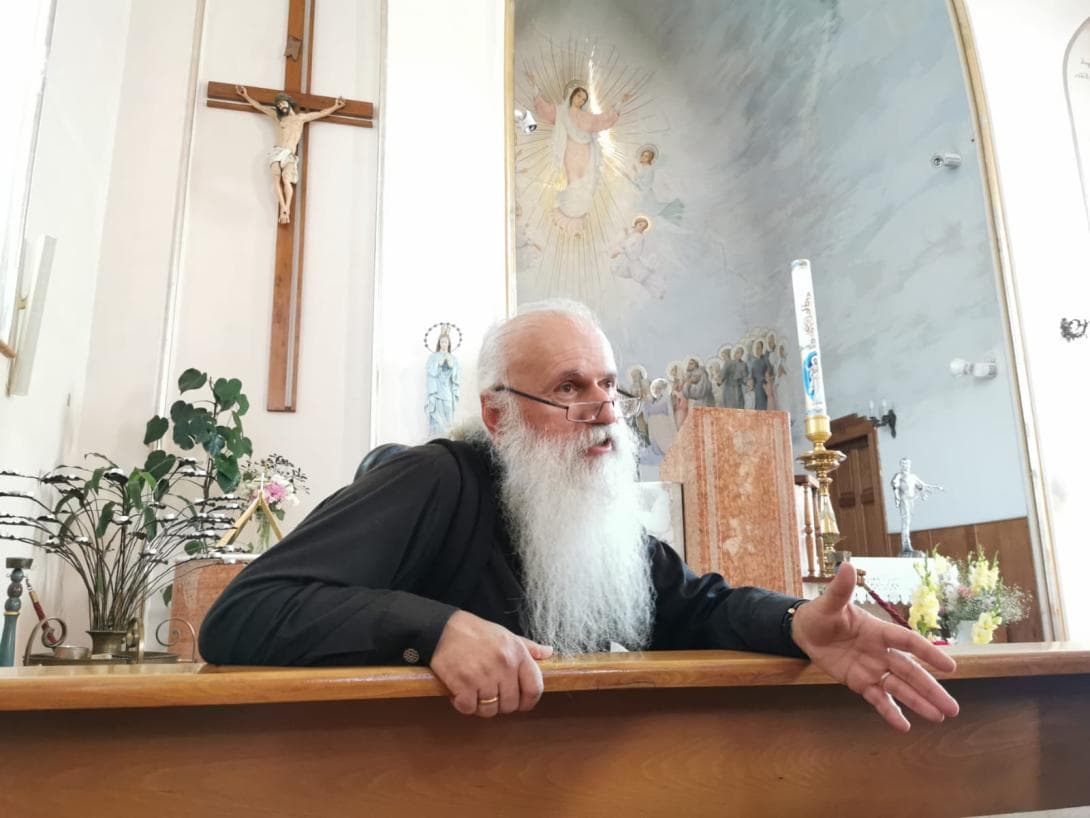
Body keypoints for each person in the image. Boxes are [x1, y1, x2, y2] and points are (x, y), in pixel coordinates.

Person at [200, 300, 958, 731]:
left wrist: (796, 623)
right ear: (497, 415)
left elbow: (699, 608)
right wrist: (432, 629)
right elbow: (244, 613)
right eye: (568, 388)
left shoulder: (599, 518)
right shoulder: (431, 481)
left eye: (606, 384)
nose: (602, 409)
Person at [528, 76, 630, 235]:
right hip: (570, 153)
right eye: (578, 96)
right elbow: (544, 110)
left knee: (586, 184)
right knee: (573, 182)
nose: (580, 100)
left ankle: (578, 217)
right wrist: (534, 86)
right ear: (572, 95)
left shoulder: (587, 118)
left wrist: (620, 103)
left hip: (587, 154)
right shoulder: (561, 112)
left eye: (584, 98)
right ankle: (568, 212)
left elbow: (604, 120)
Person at [235, 85, 346, 224]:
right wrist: (245, 96)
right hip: (277, 152)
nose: (281, 106)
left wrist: (335, 106)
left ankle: (286, 208)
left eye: (283, 103)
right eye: (279, 105)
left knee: (286, 179)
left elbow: (321, 113)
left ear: (288, 102)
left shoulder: (301, 118)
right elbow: (259, 107)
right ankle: (284, 208)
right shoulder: (278, 117)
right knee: (276, 180)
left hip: (289, 154)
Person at [425, 329, 460, 437]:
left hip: (447, 390)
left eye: (446, 342)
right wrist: (438, 364)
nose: (444, 344)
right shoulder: (433, 357)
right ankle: (435, 437)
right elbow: (430, 372)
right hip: (436, 390)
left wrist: (451, 366)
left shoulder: (453, 358)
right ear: (439, 343)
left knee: (448, 411)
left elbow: (456, 376)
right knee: (436, 414)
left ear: (449, 343)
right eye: (442, 341)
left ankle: (447, 437)